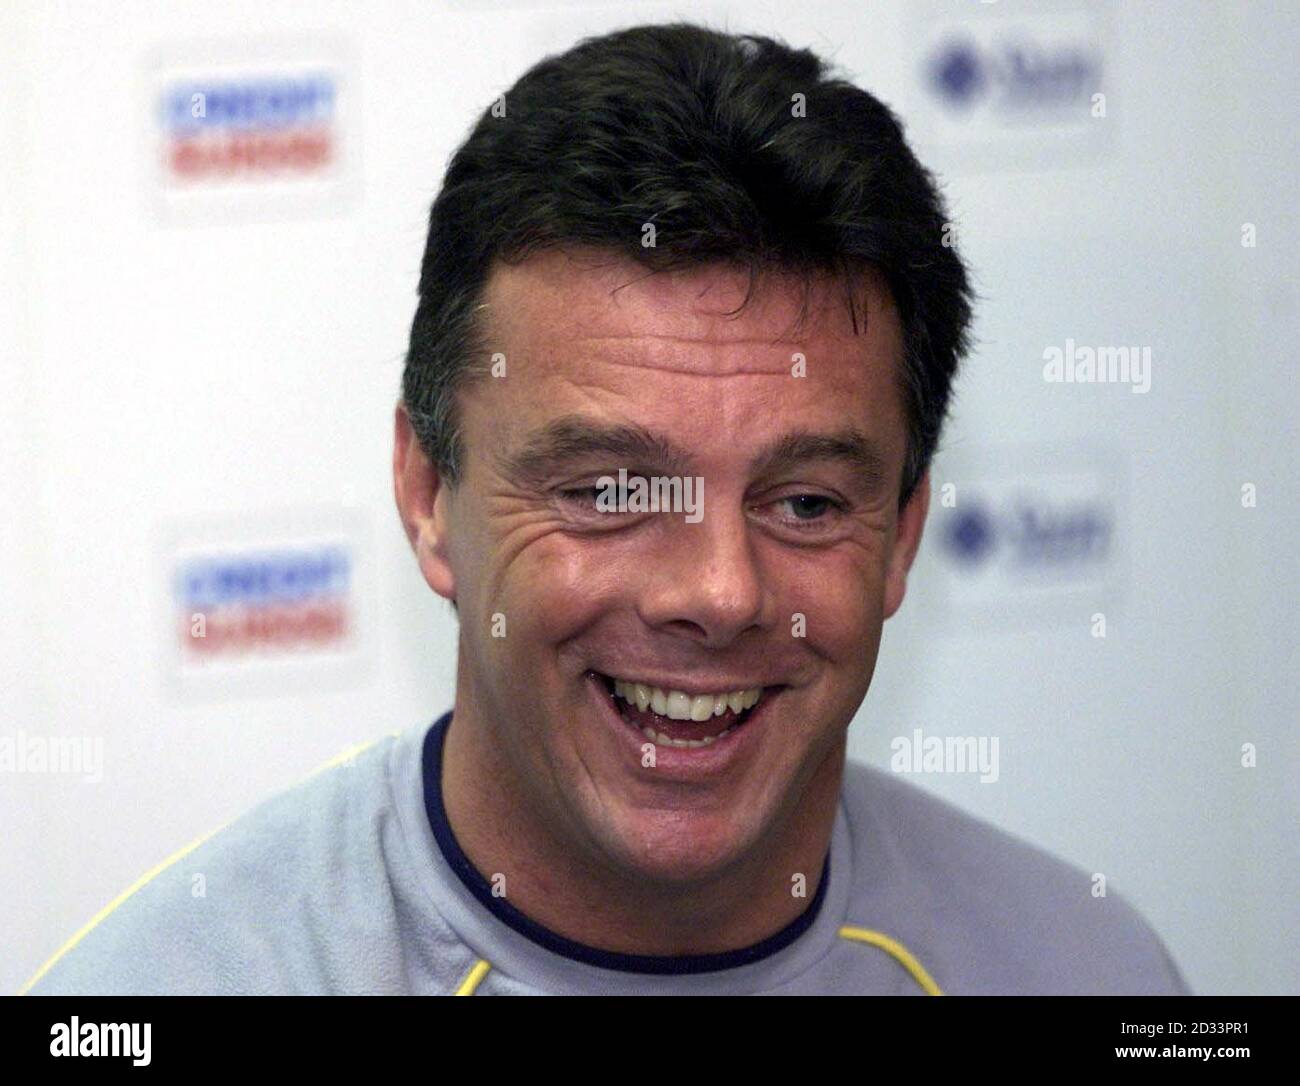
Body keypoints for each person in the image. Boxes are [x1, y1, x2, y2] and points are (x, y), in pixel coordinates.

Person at [23, 22, 1190, 996]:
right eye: (611, 491)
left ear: (904, 532)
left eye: (804, 501)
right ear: (429, 493)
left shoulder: (1089, 970)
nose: (718, 592)